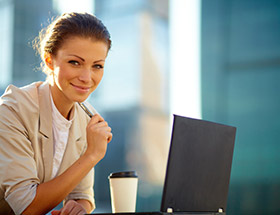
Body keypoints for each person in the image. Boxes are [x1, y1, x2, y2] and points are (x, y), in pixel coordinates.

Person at [0, 12, 113, 215]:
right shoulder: (12, 110)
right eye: (75, 62)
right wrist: (92, 155)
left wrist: (78, 208)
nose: (87, 77)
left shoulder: (88, 119)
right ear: (50, 60)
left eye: (97, 66)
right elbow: (26, 207)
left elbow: (82, 195)